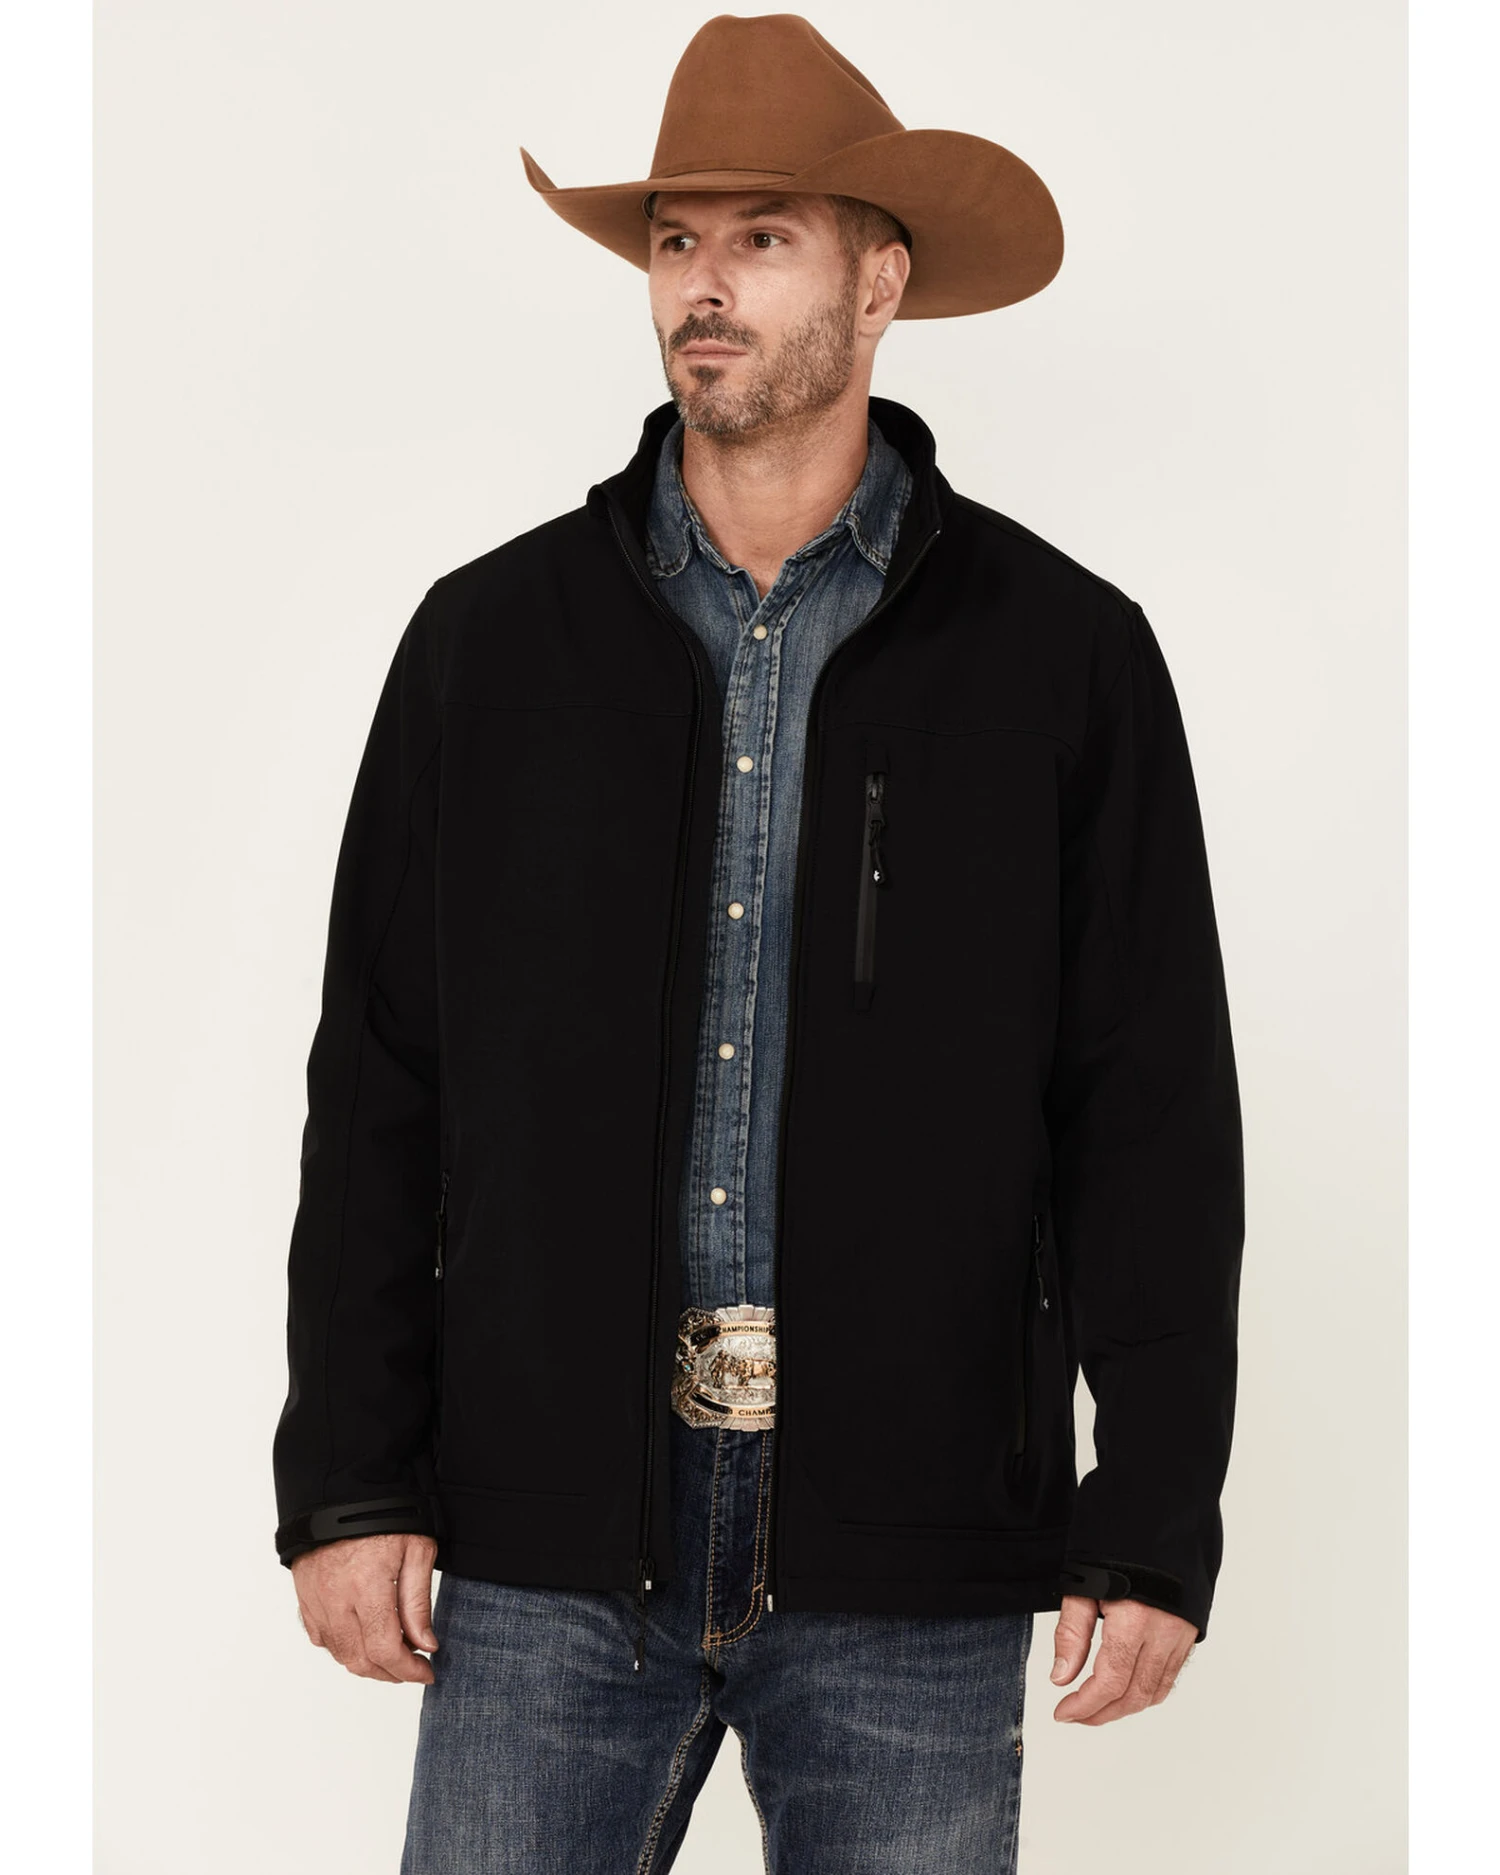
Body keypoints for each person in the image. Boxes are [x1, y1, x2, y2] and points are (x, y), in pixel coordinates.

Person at [271, 15, 1245, 1871]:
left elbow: (1150, 1105)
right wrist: (348, 1471)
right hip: (549, 1538)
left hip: (913, 1542)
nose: (701, 289)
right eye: (675, 243)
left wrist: (1154, 1508)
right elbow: (383, 1078)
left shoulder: (1064, 657)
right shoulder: (489, 645)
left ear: (881, 283)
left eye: (761, 239)